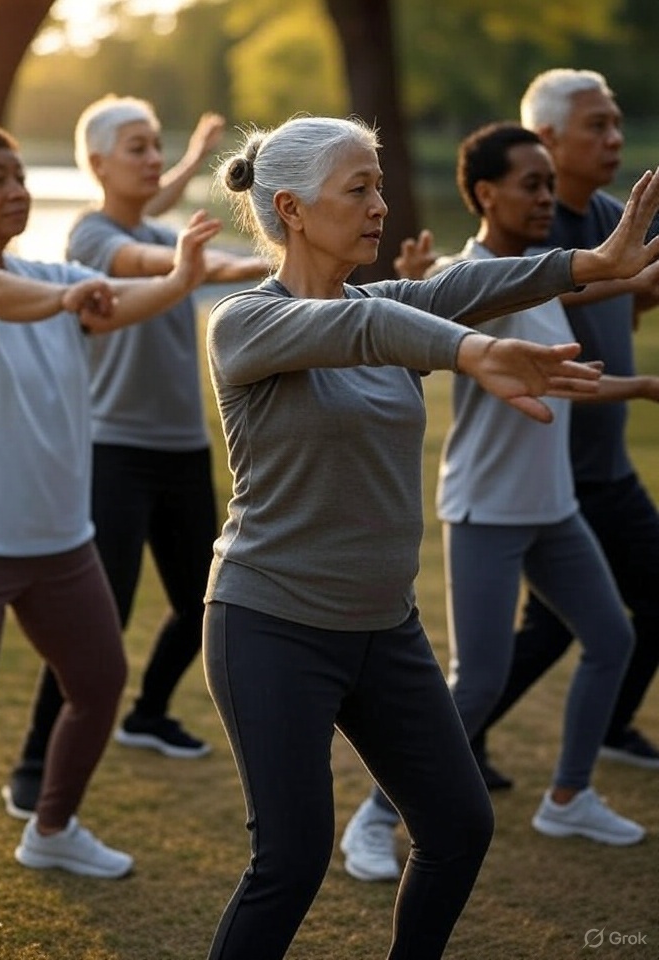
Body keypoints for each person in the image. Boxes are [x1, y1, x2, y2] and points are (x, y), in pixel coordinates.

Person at [201, 114, 659, 960]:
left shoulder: (385, 303)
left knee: (457, 827)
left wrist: (589, 264)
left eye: (379, 184)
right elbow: (364, 333)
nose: (380, 204)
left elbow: (465, 287)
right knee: (291, 863)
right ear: (293, 210)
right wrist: (471, 353)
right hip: (271, 624)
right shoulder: (244, 324)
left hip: (384, 628)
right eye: (360, 189)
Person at [340, 121, 658, 882]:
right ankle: (375, 817)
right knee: (476, 681)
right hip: (486, 510)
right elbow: (432, 322)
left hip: (552, 508)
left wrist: (643, 378)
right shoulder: (472, 277)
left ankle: (569, 795)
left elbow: (564, 375)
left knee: (611, 639)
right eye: (532, 184)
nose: (549, 197)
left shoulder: (532, 274)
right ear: (485, 193)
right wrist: (419, 288)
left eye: (552, 184)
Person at [0, 120, 221, 877]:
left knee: (99, 685)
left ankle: (52, 827)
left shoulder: (57, 280)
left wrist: (180, 280)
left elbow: (120, 302)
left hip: (60, 543)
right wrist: (73, 299)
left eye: (18, 177)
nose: (16, 191)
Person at [1, 96, 269, 819]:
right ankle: (32, 764)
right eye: (137, 148)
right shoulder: (91, 237)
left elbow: (161, 225)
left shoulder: (158, 222)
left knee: (201, 604)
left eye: (158, 147)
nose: (153, 159)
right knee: (98, 618)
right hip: (112, 452)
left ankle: (148, 711)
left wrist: (189, 165)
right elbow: (149, 260)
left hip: (181, 452)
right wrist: (239, 263)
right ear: (97, 165)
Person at [471, 69, 659, 785]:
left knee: (611, 616)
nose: (613, 139)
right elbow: (567, 302)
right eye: (596, 126)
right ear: (543, 140)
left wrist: (637, 304)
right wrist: (641, 380)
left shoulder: (622, 216)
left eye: (617, 124)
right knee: (549, 631)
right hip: (554, 471)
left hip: (606, 467)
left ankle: (600, 735)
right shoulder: (527, 235)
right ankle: (453, 751)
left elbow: (622, 302)